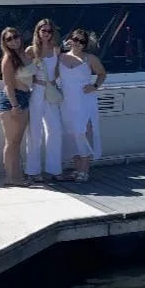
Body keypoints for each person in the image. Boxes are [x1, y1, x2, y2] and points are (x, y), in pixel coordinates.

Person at [58, 29, 107, 182]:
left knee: (81, 133)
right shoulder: (61, 57)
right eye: (75, 39)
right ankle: (77, 169)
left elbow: (102, 74)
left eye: (82, 41)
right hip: (66, 101)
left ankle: (84, 171)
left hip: (84, 100)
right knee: (71, 134)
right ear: (70, 39)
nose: (78, 43)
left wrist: (95, 86)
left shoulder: (90, 58)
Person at [24, 19, 64, 182]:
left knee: (55, 131)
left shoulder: (56, 49)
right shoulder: (31, 50)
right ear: (38, 31)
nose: (46, 33)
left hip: (51, 91)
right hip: (37, 91)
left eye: (49, 31)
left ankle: (54, 169)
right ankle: (32, 171)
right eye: (43, 30)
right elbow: (23, 72)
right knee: (34, 131)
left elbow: (58, 71)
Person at [0, 27, 32, 186]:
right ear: (4, 42)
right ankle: (11, 178)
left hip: (25, 98)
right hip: (12, 101)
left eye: (15, 37)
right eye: (8, 39)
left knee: (17, 142)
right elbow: (9, 85)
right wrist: (15, 106)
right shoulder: (8, 59)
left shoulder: (24, 55)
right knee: (11, 142)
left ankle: (17, 177)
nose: (13, 41)